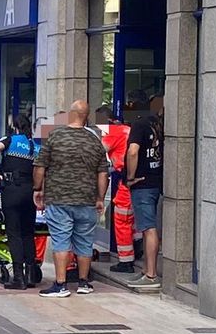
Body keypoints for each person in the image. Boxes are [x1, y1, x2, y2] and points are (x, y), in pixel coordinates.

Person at [33, 100, 109, 298]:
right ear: (86, 116)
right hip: (87, 200)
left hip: (59, 199)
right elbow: (103, 173)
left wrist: (37, 189)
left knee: (61, 240)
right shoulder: (95, 141)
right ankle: (83, 283)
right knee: (85, 241)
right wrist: (100, 198)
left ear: (71, 114)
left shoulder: (55, 136)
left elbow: (40, 166)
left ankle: (61, 284)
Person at [0, 114, 39, 290]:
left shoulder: (9, 140)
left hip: (12, 190)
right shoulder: (34, 145)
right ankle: (31, 274)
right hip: (29, 192)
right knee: (28, 233)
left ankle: (18, 277)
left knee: (14, 233)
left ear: (14, 126)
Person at [124, 91, 164, 290]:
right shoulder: (157, 123)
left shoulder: (139, 125)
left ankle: (151, 274)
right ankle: (146, 270)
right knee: (148, 226)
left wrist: (130, 177)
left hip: (142, 183)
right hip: (156, 181)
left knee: (148, 228)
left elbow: (133, 151)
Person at [96, 105, 130, 257]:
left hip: (126, 178)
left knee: (121, 218)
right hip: (131, 176)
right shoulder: (125, 128)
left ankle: (125, 260)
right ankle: (137, 245)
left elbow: (96, 152)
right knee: (131, 220)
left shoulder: (112, 132)